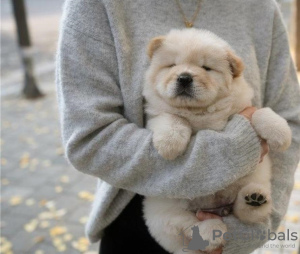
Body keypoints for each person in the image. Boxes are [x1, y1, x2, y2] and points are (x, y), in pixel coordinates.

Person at [56, 0, 300, 253]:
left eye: (206, 67)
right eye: (172, 66)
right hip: (139, 221)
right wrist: (231, 151)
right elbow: (89, 139)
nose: (185, 75)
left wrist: (246, 232)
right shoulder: (96, 5)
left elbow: (290, 121)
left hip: (239, 225)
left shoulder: (261, 7)